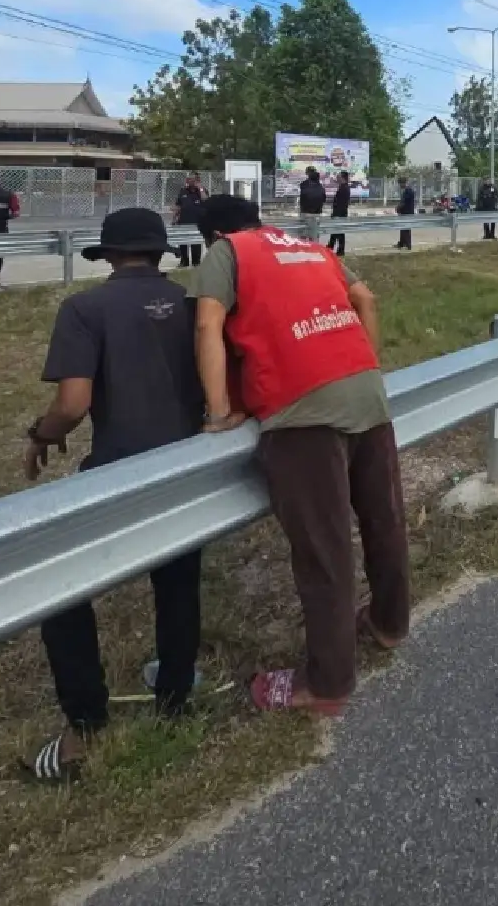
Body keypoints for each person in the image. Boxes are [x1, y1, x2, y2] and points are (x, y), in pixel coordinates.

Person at [195, 193, 410, 716]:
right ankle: (388, 625)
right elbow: (368, 301)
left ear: (214, 234)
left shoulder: (228, 252)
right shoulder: (312, 248)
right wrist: (363, 367)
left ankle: (327, 683)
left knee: (324, 550)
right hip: (365, 391)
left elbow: (206, 325)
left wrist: (220, 410)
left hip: (303, 411)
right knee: (384, 520)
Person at [22, 207, 206, 783]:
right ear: (160, 253)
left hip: (118, 472)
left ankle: (84, 725)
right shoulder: (192, 305)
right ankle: (175, 697)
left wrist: (40, 434)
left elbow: (73, 405)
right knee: (178, 583)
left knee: (60, 584)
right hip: (186, 465)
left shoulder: (83, 309)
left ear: (106, 256)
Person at [173, 172, 206, 268]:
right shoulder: (183, 191)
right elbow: (178, 205)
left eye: (192, 179)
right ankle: (184, 262)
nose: (189, 181)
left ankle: (196, 262)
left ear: (197, 180)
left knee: (196, 244)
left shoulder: (202, 191)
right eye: (188, 179)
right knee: (183, 244)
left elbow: (205, 200)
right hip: (183, 221)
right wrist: (174, 219)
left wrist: (200, 188)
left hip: (197, 222)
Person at [298, 165, 327, 243]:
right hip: (317, 213)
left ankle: (303, 249)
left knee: (303, 234)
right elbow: (324, 199)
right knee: (314, 235)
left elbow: (303, 198)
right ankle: (314, 250)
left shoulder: (304, 185)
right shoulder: (321, 187)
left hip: (305, 212)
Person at [328, 169, 351, 256]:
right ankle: (331, 246)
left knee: (340, 232)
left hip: (340, 213)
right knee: (335, 230)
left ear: (343, 178)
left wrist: (336, 214)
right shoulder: (343, 187)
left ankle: (340, 250)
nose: (337, 177)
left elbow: (342, 203)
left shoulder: (344, 188)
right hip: (339, 212)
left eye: (339, 176)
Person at [396, 176, 415, 250]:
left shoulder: (408, 191)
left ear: (404, 183)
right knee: (403, 228)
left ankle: (408, 245)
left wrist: (398, 208)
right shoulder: (406, 190)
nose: (400, 186)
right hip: (405, 212)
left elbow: (404, 203)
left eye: (400, 184)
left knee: (406, 229)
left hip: (407, 212)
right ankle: (402, 243)